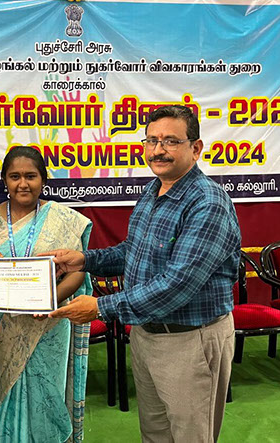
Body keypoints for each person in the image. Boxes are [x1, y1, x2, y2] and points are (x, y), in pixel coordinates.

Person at [48, 105, 241, 443]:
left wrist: (100, 307)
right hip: (146, 335)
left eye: (170, 141)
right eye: (152, 140)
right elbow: (133, 252)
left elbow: (177, 285)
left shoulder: (208, 202)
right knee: (155, 434)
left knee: (191, 437)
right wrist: (84, 260)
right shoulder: (154, 191)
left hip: (190, 340)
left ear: (195, 148)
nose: (158, 150)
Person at [0, 146, 92, 443]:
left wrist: (51, 302)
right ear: (4, 180)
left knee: (45, 397)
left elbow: (77, 271)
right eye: (15, 177)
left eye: (30, 176)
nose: (22, 184)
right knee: (1, 400)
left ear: (43, 180)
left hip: (47, 324)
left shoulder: (64, 218)